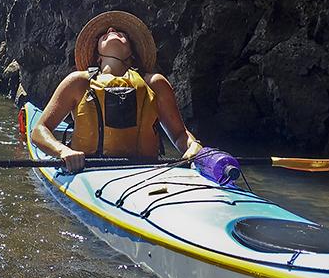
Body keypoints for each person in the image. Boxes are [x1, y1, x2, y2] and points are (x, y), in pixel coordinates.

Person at [30, 11, 203, 173]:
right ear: (98, 57)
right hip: (88, 170)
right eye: (104, 33)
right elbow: (39, 130)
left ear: (132, 53)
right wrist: (62, 151)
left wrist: (193, 145)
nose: (111, 29)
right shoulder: (79, 82)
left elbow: (180, 135)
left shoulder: (155, 84)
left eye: (121, 32)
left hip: (146, 170)